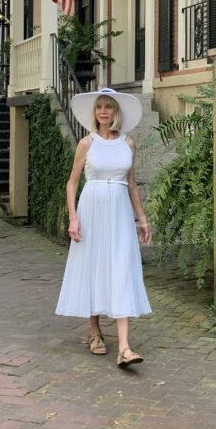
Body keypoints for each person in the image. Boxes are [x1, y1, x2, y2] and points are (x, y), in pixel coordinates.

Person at [55, 87, 152, 367]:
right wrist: (73, 217)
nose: (104, 112)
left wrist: (142, 219)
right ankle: (95, 333)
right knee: (94, 265)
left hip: (120, 211)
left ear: (116, 112)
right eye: (99, 107)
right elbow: (72, 183)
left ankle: (124, 348)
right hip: (92, 210)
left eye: (109, 107)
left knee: (121, 268)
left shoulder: (128, 144)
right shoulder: (87, 143)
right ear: (94, 113)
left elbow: (132, 185)